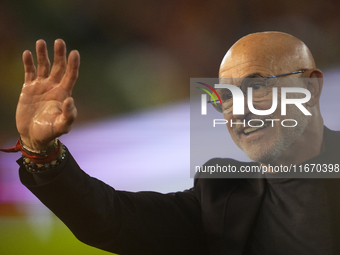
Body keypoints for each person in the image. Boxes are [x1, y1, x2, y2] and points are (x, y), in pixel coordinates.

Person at [3, 31, 340, 254]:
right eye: (224, 96)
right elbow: (112, 218)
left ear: (309, 89)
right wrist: (41, 152)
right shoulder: (224, 192)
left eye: (256, 87)